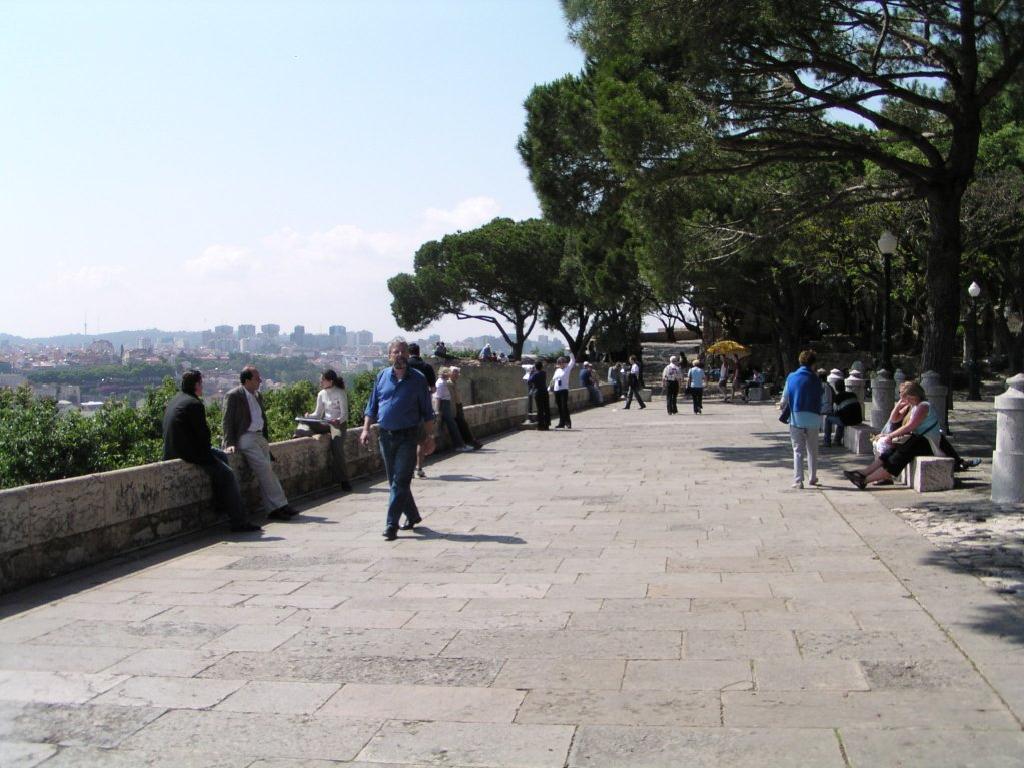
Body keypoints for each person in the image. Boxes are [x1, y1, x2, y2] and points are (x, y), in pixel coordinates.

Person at [163, 370, 260, 532]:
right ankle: (239, 521)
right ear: (196, 385)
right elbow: (203, 435)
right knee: (228, 474)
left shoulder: (176, 400)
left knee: (222, 456)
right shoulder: (194, 404)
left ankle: (221, 503)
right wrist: (207, 456)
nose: (203, 386)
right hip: (189, 452)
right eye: (201, 383)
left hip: (174, 449)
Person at [360, 338, 436, 540]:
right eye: (396, 352)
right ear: (389, 356)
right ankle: (412, 515)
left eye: (403, 351)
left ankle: (391, 524)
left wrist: (429, 437)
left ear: (408, 355)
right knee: (394, 481)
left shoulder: (418, 379)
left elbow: (427, 411)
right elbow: (372, 406)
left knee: (400, 480)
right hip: (386, 435)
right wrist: (365, 429)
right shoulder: (382, 376)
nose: (400, 355)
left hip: (408, 436)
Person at [223, 366, 298, 521]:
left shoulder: (257, 395)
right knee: (265, 469)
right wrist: (229, 442)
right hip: (246, 436)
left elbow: (261, 418)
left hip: (259, 436)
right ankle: (280, 505)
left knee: (267, 470)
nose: (260, 381)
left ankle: (274, 508)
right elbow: (227, 420)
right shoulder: (234, 395)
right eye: (257, 378)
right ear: (247, 380)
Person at [843, 381, 940, 489]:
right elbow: (894, 419)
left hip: (928, 443)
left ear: (915, 395)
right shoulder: (913, 406)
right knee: (891, 452)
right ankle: (864, 473)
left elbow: (910, 426)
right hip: (918, 440)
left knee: (899, 457)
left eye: (907, 397)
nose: (906, 400)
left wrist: (890, 436)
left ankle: (865, 480)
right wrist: (899, 403)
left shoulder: (924, 406)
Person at [293, 369, 352, 491]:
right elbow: (318, 414)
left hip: (338, 425)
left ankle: (344, 480)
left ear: (330, 381)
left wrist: (337, 420)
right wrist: (309, 416)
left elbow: (345, 414)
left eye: (323, 380)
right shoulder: (321, 394)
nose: (321, 382)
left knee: (337, 448)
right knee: (304, 421)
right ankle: (300, 433)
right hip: (325, 422)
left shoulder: (340, 393)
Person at [781, 349, 822, 489]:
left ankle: (798, 480)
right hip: (814, 418)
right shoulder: (816, 379)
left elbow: (784, 399)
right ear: (813, 364)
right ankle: (813, 477)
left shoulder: (791, 377)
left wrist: (782, 406)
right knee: (812, 450)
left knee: (798, 450)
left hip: (796, 418)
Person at [407, 343, 437, 479]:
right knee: (421, 440)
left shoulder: (405, 366)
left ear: (408, 352)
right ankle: (419, 468)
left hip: (406, 408)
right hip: (422, 407)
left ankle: (408, 469)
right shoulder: (426, 367)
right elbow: (433, 389)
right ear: (419, 352)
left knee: (407, 441)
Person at [434, 366, 471, 453]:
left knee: (452, 425)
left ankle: (461, 445)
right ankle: (460, 445)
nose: (450, 375)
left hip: (446, 404)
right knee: (452, 425)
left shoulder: (443, 382)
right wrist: (436, 410)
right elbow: (438, 397)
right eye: (448, 373)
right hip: (444, 405)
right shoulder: (441, 383)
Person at [449, 366, 483, 449]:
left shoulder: (454, 383)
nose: (457, 375)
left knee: (463, 424)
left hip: (458, 405)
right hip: (454, 406)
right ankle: (470, 442)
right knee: (462, 424)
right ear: (450, 373)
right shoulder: (449, 383)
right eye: (455, 373)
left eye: (457, 373)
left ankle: (470, 441)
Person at [824, 379, 857, 447]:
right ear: (844, 386)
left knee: (828, 419)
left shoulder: (837, 397)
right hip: (857, 419)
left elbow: (836, 411)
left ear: (836, 388)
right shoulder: (853, 394)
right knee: (842, 417)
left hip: (848, 420)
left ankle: (827, 441)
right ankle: (837, 440)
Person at [550, 351, 577, 428]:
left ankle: (568, 422)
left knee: (564, 406)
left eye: (562, 362)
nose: (561, 364)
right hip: (556, 390)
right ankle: (561, 423)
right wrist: (549, 388)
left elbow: (573, 360)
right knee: (559, 407)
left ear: (565, 363)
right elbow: (553, 380)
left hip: (564, 390)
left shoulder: (567, 368)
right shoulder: (557, 370)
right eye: (559, 363)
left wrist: (570, 353)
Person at [529, 361, 550, 430]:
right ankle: (547, 424)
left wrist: (531, 373)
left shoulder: (535, 374)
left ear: (535, 367)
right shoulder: (544, 373)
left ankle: (540, 425)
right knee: (546, 408)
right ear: (541, 367)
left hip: (538, 392)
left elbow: (529, 381)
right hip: (545, 392)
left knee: (540, 409)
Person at [818, 369, 835, 444]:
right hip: (828, 409)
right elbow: (834, 398)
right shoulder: (830, 387)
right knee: (829, 418)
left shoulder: (816, 386)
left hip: (818, 409)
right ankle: (827, 440)